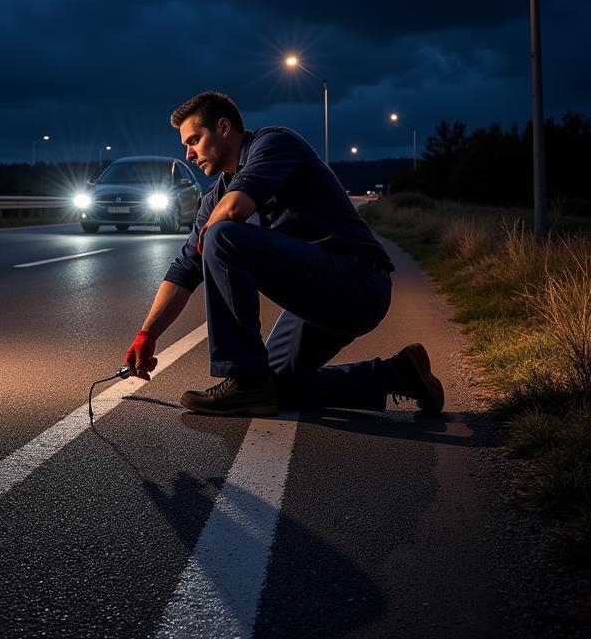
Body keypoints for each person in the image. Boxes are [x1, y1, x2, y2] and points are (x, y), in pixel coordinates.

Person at [123, 91, 444, 416]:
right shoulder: (215, 196)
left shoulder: (273, 144)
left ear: (223, 127)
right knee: (275, 386)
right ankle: (398, 374)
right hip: (315, 299)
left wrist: (210, 239)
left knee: (222, 236)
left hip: (358, 282)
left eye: (194, 140)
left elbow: (235, 209)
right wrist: (146, 334)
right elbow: (183, 270)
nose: (189, 154)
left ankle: (243, 381)